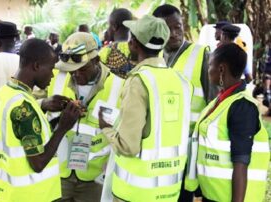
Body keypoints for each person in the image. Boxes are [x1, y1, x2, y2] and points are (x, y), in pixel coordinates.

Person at [99, 15, 193, 202]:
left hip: (135, 194)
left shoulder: (138, 82)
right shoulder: (182, 81)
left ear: (133, 43)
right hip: (169, 192)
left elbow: (128, 146)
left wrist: (106, 128)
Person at [0, 38, 81, 202]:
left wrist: (54, 117)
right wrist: (63, 128)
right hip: (25, 196)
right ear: (36, 66)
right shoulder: (24, 107)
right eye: (50, 68)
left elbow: (22, 136)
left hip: (0, 192)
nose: (52, 75)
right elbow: (38, 163)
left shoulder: (5, 93)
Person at [46, 32, 124, 202]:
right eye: (71, 71)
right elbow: (30, 103)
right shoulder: (55, 79)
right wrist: (44, 103)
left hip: (95, 176)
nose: (76, 75)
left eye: (82, 69)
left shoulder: (119, 86)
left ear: (96, 60)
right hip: (59, 172)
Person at [187, 43, 270, 202]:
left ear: (221, 69)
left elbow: (241, 163)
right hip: (213, 195)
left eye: (210, 64)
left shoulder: (242, 107)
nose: (207, 69)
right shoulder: (221, 101)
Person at [153, 5, 218, 200]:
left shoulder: (201, 55)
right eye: (167, 29)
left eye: (178, 27)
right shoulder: (154, 58)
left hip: (187, 148)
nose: (174, 34)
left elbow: (214, 103)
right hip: (158, 147)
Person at [99, 8, 136, 78]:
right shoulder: (138, 48)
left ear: (114, 26)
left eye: (109, 25)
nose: (107, 29)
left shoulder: (105, 52)